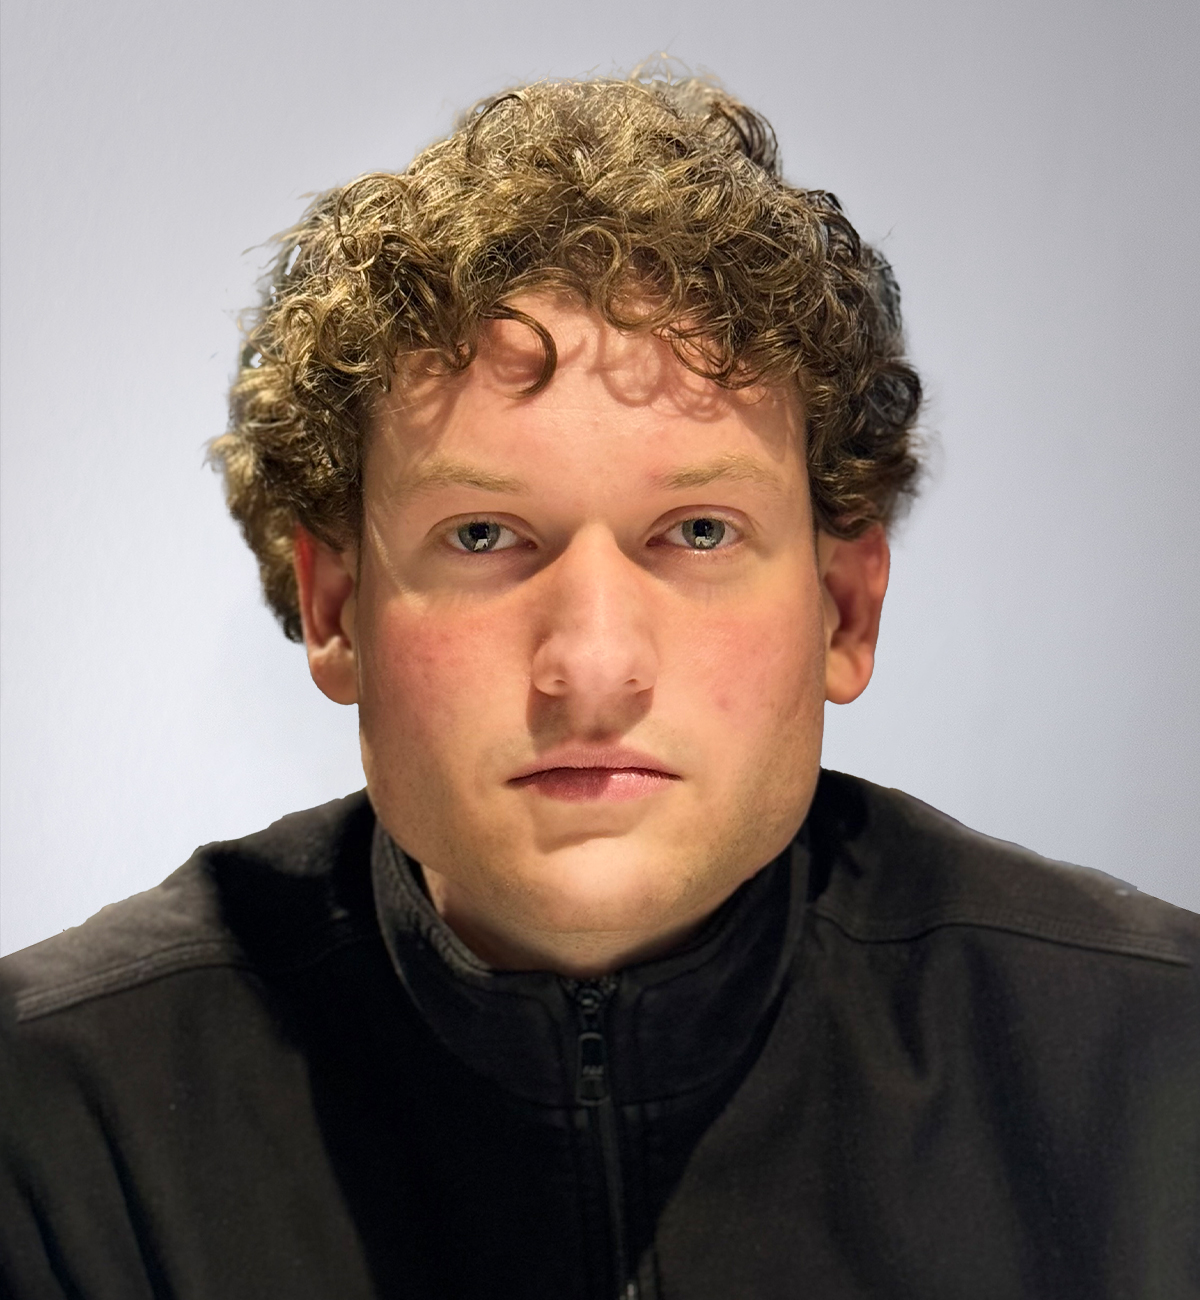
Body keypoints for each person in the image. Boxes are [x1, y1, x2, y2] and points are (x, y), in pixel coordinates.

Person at [1, 72, 1196, 1300]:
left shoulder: (1156, 1072)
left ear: (845, 609)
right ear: (335, 608)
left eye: (698, 532)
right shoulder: (55, 1115)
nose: (590, 667)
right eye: (482, 535)